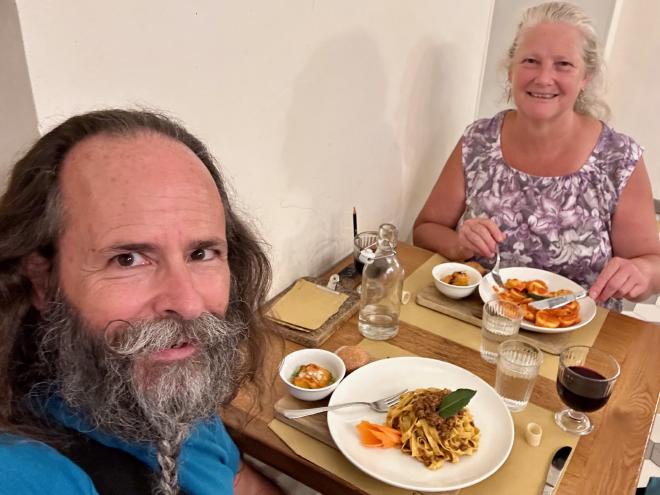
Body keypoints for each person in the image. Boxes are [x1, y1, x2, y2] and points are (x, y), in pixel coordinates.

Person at [0, 109, 282, 494]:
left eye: (201, 253)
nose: (189, 304)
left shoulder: (160, 376)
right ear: (42, 282)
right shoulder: (25, 475)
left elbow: (236, 480)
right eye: (127, 259)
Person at [413, 1, 660, 311]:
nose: (543, 78)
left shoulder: (619, 158)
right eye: (531, 61)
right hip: (481, 320)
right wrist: (457, 243)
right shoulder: (478, 140)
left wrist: (641, 274)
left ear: (586, 76)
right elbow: (425, 229)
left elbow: (652, 264)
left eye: (563, 64)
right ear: (511, 69)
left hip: (576, 331)